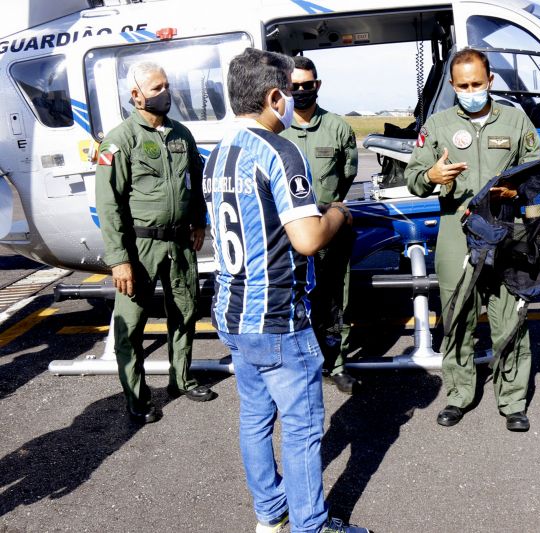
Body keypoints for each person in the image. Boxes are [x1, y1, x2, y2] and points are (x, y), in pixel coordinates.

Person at [204, 48, 369, 533]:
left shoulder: (217, 155)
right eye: (289, 94)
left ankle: (269, 514)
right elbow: (307, 238)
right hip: (276, 315)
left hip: (232, 312)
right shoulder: (279, 150)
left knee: (255, 418)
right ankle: (310, 526)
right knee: (300, 428)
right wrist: (337, 212)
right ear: (275, 96)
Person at [406, 48, 540, 432]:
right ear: (452, 85)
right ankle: (459, 395)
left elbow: (536, 177)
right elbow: (415, 180)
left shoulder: (517, 122)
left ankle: (513, 399)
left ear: (490, 81)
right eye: (462, 85)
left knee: (510, 316)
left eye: (476, 84)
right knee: (458, 317)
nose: (470, 90)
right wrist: (432, 175)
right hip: (456, 232)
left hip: (504, 231)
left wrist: (520, 199)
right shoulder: (438, 125)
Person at [95, 61, 215, 425]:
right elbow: (108, 203)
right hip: (139, 248)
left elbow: (194, 182)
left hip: (180, 243)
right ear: (136, 95)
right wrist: (119, 260)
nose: (166, 93)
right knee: (131, 325)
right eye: (158, 87)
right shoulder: (119, 140)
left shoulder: (181, 134)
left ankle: (182, 378)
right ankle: (137, 396)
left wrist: (199, 222)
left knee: (186, 311)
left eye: (167, 86)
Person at [279, 56, 359, 394]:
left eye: (306, 85)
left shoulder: (338, 127)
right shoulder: (276, 130)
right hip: (289, 233)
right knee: (292, 298)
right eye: (293, 86)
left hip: (331, 227)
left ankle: (335, 363)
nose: (300, 91)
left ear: (318, 85)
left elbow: (347, 174)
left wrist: (332, 210)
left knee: (335, 299)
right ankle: (299, 367)